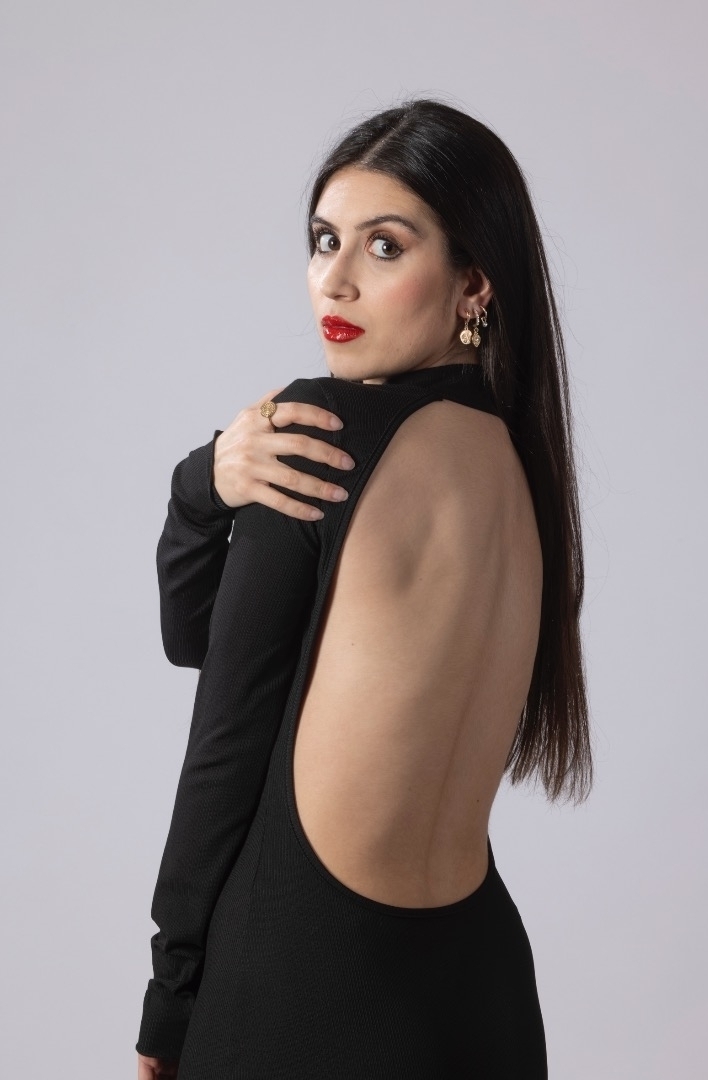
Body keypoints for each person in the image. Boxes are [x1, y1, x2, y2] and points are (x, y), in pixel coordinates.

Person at [135, 98, 592, 1079]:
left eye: (385, 246)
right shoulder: (519, 473)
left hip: (303, 987)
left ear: (474, 282)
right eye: (323, 240)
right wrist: (207, 485)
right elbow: (223, 644)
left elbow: (222, 730)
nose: (335, 279)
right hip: (480, 995)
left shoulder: (318, 435)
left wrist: (171, 997)